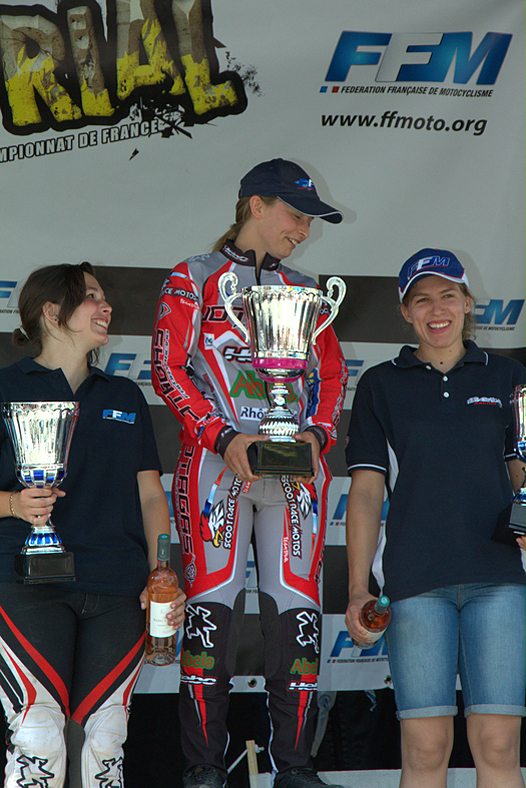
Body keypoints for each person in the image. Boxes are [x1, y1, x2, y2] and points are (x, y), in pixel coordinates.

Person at [151, 158, 348, 788]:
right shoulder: (194, 279)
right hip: (217, 468)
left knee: (298, 610)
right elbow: (168, 368)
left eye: (310, 220)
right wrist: (222, 435)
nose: (304, 231)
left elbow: (331, 379)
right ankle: (204, 768)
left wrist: (316, 435)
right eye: (296, 215)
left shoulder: (307, 291)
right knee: (211, 608)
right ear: (255, 205)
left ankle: (295, 768)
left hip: (295, 477)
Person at [345, 248, 526, 788]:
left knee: (498, 742)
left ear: (469, 303)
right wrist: (358, 588)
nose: (436, 308)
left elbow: (522, 467)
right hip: (416, 581)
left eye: (448, 294)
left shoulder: (509, 376)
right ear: (406, 312)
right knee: (425, 749)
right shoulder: (380, 384)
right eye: (421, 299)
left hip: (498, 579)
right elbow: (365, 490)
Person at [0, 262, 186, 788]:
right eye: (90, 298)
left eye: (104, 298)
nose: (105, 307)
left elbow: (151, 495)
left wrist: (161, 572)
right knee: (38, 734)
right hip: (25, 583)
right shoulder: (5, 387)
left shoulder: (124, 396)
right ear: (51, 312)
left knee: (106, 739)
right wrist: (15, 505)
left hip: (117, 586)